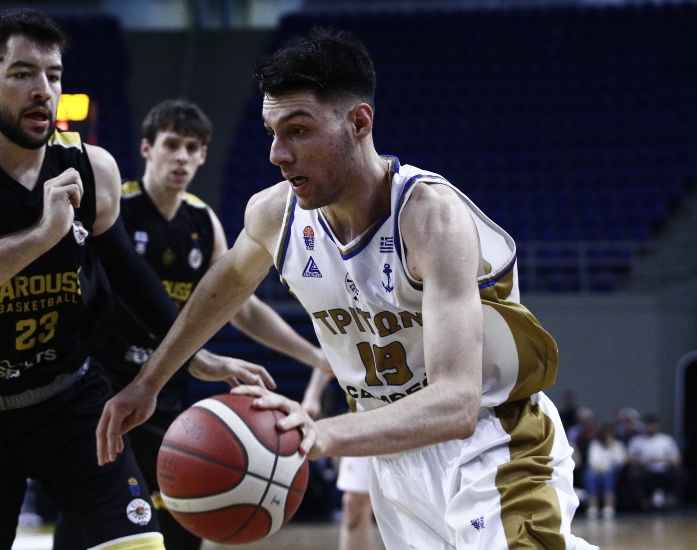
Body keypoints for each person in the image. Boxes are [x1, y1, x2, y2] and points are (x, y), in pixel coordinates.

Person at [97, 28, 597, 549]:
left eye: (297, 130)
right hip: (391, 455)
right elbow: (222, 293)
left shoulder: (430, 219)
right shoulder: (273, 215)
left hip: (493, 443)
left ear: (359, 122)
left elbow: (457, 403)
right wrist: (150, 381)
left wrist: (320, 433)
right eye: (271, 132)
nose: (277, 153)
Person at [0, 10, 271, 550]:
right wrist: (41, 235)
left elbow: (128, 272)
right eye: (22, 74)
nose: (43, 90)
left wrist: (194, 354)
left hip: (70, 402)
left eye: (53, 75)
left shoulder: (92, 167)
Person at [52, 99, 331, 550]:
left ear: (203, 156)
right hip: (103, 393)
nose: (181, 157)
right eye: (171, 145)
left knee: (184, 529)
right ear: (147, 148)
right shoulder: (116, 209)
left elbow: (240, 307)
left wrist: (313, 355)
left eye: (192, 148)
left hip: (169, 398)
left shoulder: (202, 221)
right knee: (93, 522)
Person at [303, 369, 376, 549]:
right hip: (365, 412)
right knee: (353, 503)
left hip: (411, 406)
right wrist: (312, 395)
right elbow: (329, 353)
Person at [626, 414, 687, 511]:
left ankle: (670, 500)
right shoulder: (637, 440)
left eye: (652, 424)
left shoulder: (666, 439)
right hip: (645, 471)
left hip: (663, 471)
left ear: (657, 425)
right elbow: (629, 459)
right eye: (648, 424)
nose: (650, 427)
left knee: (680, 474)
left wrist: (661, 459)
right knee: (633, 475)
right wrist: (643, 461)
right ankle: (644, 503)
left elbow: (676, 459)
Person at [584, 423, 627, 519]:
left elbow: (620, 462)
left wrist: (612, 448)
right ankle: (593, 507)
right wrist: (598, 468)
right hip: (596, 470)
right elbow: (592, 460)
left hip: (611, 470)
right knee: (589, 476)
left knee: (608, 476)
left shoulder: (618, 445)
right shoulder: (595, 444)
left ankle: (609, 506)